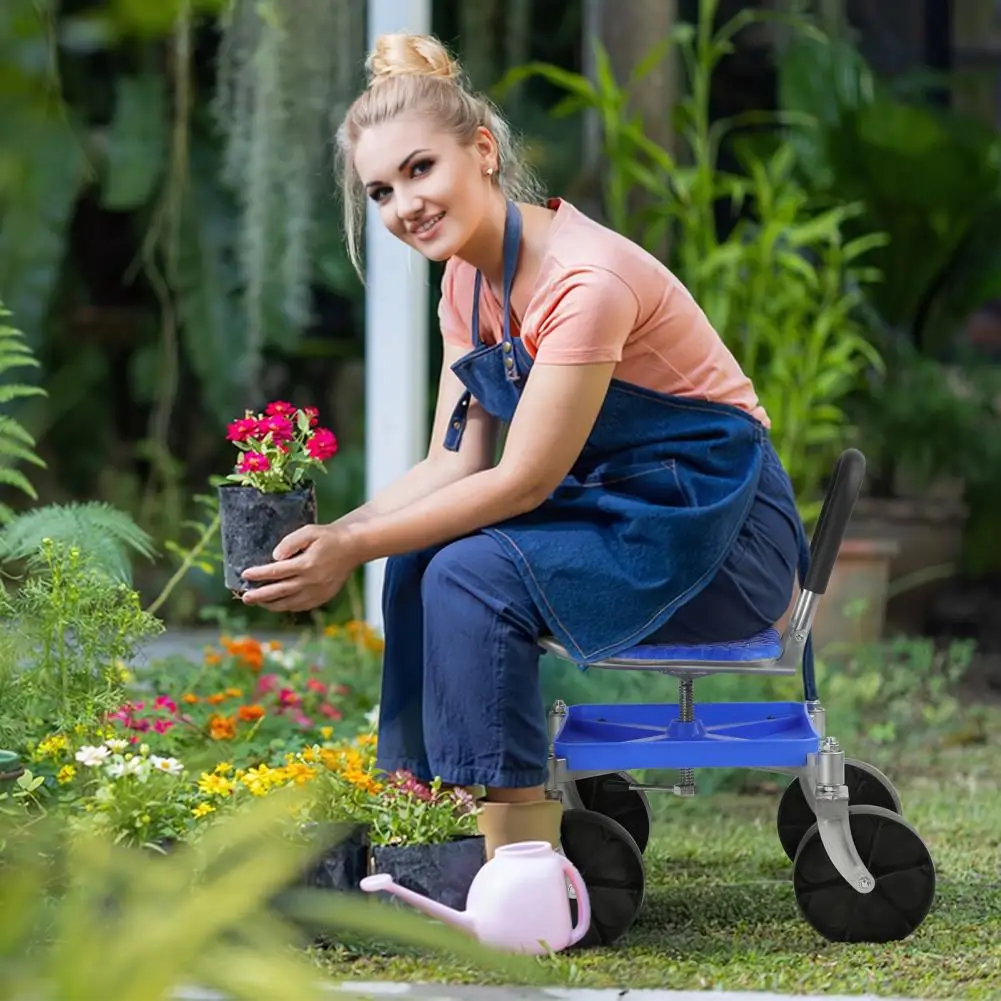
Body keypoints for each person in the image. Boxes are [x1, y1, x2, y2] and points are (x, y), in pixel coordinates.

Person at [241, 32, 809, 860]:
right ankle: (421, 820)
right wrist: (329, 540)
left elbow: (524, 480)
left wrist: (349, 546)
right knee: (419, 556)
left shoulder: (586, 281)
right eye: (380, 189)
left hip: (720, 536)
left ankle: (513, 855)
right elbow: (452, 463)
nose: (404, 204)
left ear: (480, 151)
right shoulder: (466, 283)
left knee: (473, 570)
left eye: (419, 169)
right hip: (622, 516)